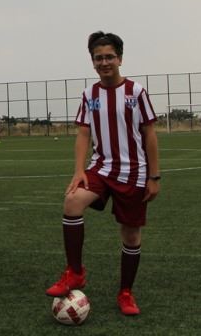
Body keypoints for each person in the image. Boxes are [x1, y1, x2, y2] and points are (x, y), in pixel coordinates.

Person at [45, 32, 160, 316]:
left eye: (109, 57)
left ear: (120, 59)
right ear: (93, 62)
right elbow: (83, 133)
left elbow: (150, 134)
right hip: (102, 168)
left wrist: (154, 177)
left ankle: (125, 293)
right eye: (99, 58)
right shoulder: (89, 95)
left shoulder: (136, 92)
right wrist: (78, 171)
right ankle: (75, 272)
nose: (104, 62)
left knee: (130, 235)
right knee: (72, 201)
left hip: (133, 173)